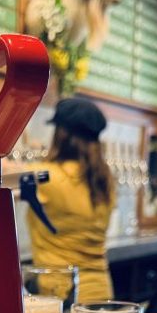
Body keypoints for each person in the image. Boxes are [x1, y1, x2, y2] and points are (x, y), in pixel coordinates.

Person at [26, 97, 115, 301]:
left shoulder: (46, 176)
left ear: (61, 134)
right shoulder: (104, 181)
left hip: (63, 296)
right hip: (101, 291)